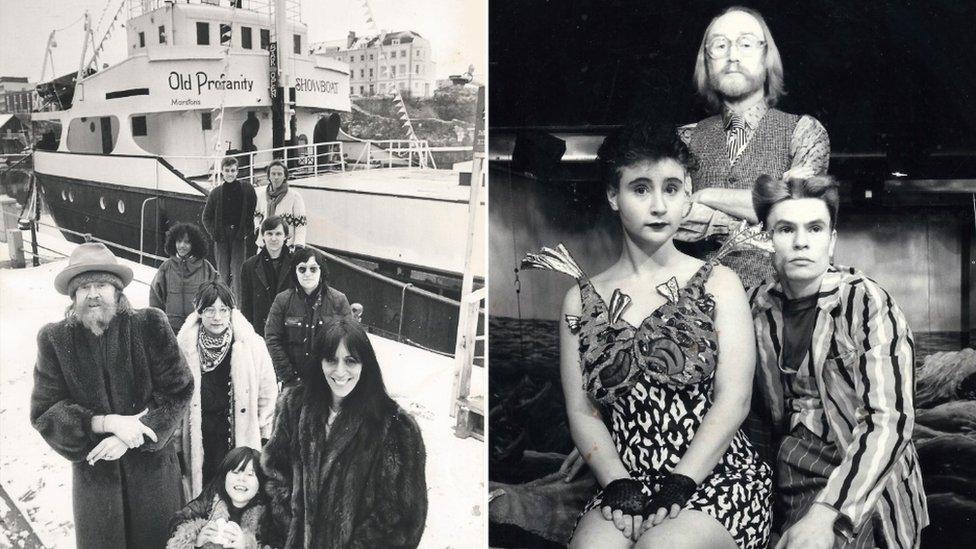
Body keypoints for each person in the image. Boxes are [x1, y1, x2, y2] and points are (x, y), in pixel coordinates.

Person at [521, 124, 771, 549]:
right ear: (613, 196)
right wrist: (618, 485)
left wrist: (681, 483)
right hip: (625, 481)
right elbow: (582, 411)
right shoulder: (579, 300)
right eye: (641, 189)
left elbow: (735, 399)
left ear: (687, 193)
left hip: (717, 475)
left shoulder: (719, 282)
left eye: (671, 189)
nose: (659, 206)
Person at [748, 174, 928, 549]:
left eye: (815, 228)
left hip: (865, 472)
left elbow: (890, 420)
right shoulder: (756, 307)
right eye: (785, 229)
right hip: (789, 472)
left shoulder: (865, 301)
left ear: (831, 240)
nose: (801, 242)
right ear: (767, 239)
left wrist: (828, 512)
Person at [31, 242, 193, 548]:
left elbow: (179, 389)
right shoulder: (55, 339)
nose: (93, 293)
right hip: (97, 486)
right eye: (85, 287)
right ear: (73, 295)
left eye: (102, 284)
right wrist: (106, 423)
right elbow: (45, 413)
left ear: (117, 291)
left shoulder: (150, 324)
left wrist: (133, 435)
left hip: (154, 480)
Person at [677, 6, 830, 288]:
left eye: (745, 44)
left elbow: (794, 211)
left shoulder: (804, 131)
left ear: (766, 56)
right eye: (720, 45)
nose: (732, 56)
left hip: (779, 311)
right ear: (706, 62)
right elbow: (674, 215)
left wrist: (706, 195)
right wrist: (760, 224)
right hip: (697, 317)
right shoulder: (685, 138)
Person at [262, 318, 428, 548]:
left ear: (365, 364)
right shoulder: (294, 406)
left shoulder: (396, 427)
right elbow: (274, 473)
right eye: (331, 359)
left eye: (350, 361)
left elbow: (401, 518)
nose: (340, 371)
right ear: (319, 362)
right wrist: (291, 530)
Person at [176, 281, 278, 497]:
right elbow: (173, 397)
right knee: (201, 493)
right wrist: (176, 443)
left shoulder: (251, 344)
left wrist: (263, 433)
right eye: (210, 310)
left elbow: (267, 391)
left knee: (237, 493)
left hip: (237, 432)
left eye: (224, 310)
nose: (217, 317)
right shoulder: (184, 347)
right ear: (199, 311)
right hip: (200, 433)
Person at [264, 247, 354, 387]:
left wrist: (335, 374)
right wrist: (289, 377)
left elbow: (350, 340)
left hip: (329, 383)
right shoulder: (282, 300)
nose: (307, 274)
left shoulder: (339, 300)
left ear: (321, 271)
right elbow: (272, 338)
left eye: (313, 269)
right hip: (293, 383)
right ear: (295, 272)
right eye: (302, 269)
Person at [167, 447, 271, 549]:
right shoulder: (209, 500)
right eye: (235, 472)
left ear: (260, 484)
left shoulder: (269, 515)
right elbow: (176, 523)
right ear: (224, 478)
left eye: (250, 474)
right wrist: (196, 540)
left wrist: (247, 545)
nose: (241, 479)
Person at [202, 156, 257, 299]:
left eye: (233, 170)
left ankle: (238, 305)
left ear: (237, 171)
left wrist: (246, 231)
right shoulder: (216, 193)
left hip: (238, 236)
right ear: (222, 172)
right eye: (227, 171)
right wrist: (214, 233)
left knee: (238, 271)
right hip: (221, 237)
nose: (230, 174)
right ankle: (223, 301)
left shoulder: (246, 189)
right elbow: (206, 217)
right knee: (223, 272)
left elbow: (251, 212)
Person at [150, 222, 219, 334]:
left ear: (195, 245)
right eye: (179, 241)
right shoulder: (166, 267)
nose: (182, 245)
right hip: (171, 329)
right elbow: (155, 297)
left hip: (198, 328)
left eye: (187, 242)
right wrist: (157, 323)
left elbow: (218, 294)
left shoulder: (206, 268)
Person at [240, 216, 293, 337]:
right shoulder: (249, 266)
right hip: (260, 332)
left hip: (288, 332)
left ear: (285, 237)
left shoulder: (296, 264)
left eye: (278, 234)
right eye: (269, 234)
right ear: (262, 236)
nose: (273, 238)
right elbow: (246, 305)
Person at [254, 160, 307, 249]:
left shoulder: (294, 196)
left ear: (285, 176)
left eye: (279, 174)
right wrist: (258, 228)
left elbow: (301, 224)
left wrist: (299, 244)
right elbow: (256, 215)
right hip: (265, 244)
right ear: (269, 176)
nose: (276, 177)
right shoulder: (261, 195)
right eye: (273, 174)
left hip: (286, 245)